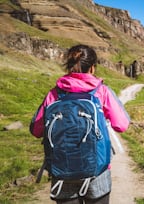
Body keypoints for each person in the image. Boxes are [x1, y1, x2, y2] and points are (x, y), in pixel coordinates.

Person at [30, 44, 130, 204]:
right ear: (92, 68)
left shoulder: (54, 93)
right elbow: (122, 125)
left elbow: (36, 130)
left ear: (68, 67)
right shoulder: (102, 91)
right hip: (97, 171)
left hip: (62, 169)